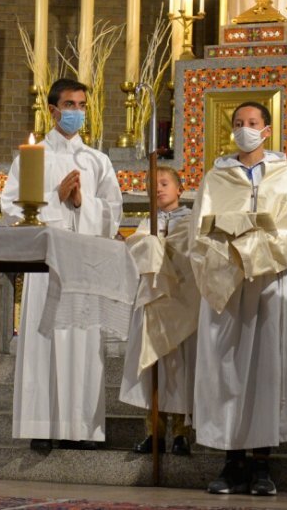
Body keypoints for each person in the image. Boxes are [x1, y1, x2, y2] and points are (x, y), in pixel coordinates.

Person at [190, 102, 287, 496]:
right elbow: (199, 231)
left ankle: (262, 464)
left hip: (266, 283)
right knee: (226, 372)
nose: (246, 129)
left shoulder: (285, 175)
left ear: (268, 129)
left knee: (265, 371)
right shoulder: (216, 177)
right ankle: (230, 462)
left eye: (253, 123)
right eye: (239, 124)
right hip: (226, 285)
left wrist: (256, 250)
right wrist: (227, 251)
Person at [1, 78, 123, 451]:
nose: (76, 112)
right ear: (53, 110)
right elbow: (11, 208)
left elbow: (112, 215)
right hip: (47, 267)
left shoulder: (97, 160)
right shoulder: (32, 157)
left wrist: (82, 203)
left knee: (84, 344)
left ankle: (82, 429)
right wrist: (54, 198)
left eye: (82, 105)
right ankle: (42, 424)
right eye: (69, 105)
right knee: (45, 341)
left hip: (84, 266)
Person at [119, 165, 197, 456]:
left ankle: (181, 433)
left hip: (180, 303)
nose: (159, 189)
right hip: (153, 304)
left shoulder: (191, 221)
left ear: (180, 189)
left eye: (164, 183)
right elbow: (136, 255)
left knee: (180, 370)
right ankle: (154, 434)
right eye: (152, 185)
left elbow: (193, 255)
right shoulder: (145, 223)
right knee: (154, 370)